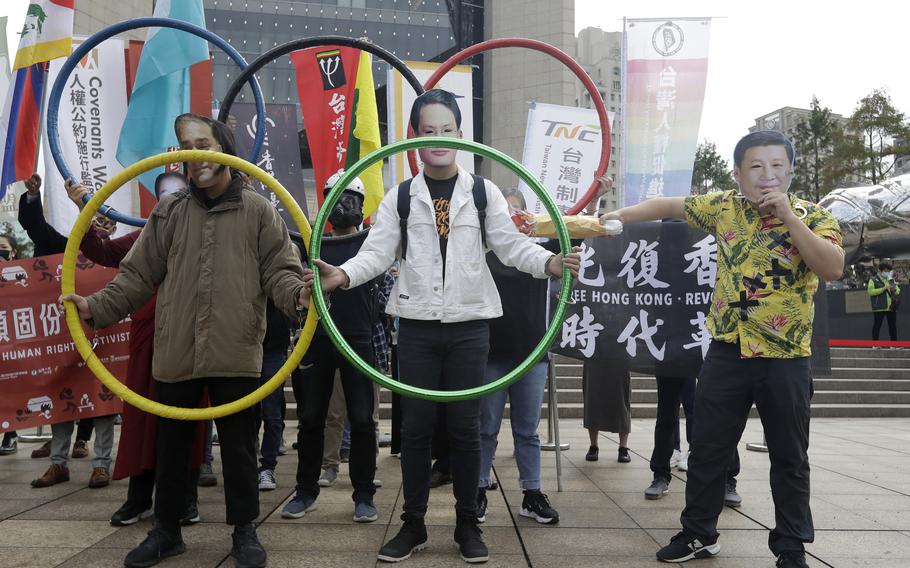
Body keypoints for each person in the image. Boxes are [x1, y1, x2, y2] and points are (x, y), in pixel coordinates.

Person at [305, 89, 581, 564]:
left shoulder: (482, 191)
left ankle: (467, 525)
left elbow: (511, 245)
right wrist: (343, 274)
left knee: (466, 428)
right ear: (413, 138)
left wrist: (550, 263)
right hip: (414, 326)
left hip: (470, 325)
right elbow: (376, 252)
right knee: (414, 430)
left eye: (446, 130)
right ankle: (413, 524)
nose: (437, 139)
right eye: (427, 131)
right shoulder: (401, 197)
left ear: (460, 135)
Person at [61, 113, 312, 568]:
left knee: (238, 448)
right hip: (175, 347)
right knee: (171, 446)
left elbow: (280, 271)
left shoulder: (258, 209)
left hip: (235, 349)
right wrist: (94, 307)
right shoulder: (170, 210)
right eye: (186, 146)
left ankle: (244, 531)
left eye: (204, 144)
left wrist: (299, 294)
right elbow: (137, 276)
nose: (195, 156)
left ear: (225, 151)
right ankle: (167, 531)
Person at [602, 130, 843, 568]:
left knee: (789, 456)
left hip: (786, 357)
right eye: (755, 166)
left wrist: (791, 218)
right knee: (708, 448)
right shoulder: (725, 208)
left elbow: (830, 266)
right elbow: (668, 206)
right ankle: (699, 533)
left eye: (776, 166)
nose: (767, 175)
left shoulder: (816, 217)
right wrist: (617, 215)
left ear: (790, 170)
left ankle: (790, 546)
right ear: (738, 174)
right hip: (727, 352)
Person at [65, 173, 206, 526]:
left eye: (178, 195)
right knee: (143, 418)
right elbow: (102, 251)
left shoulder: (207, 232)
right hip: (149, 336)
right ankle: (139, 497)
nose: (171, 202)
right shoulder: (145, 236)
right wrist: (83, 208)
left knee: (188, 420)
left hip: (192, 336)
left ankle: (186, 499)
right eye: (164, 196)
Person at [282, 172, 380, 524]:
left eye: (350, 199)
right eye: (334, 198)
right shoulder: (311, 243)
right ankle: (305, 491)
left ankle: (364, 494)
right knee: (310, 419)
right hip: (317, 339)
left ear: (361, 206)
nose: (341, 207)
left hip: (359, 340)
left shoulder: (373, 244)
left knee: (363, 420)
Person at [15, 174, 114, 489]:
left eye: (106, 221)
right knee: (60, 395)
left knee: (105, 401)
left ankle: (101, 465)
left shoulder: (124, 254)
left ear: (113, 226)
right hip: (64, 341)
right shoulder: (65, 246)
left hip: (104, 341)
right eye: (94, 218)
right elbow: (36, 228)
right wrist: (32, 198)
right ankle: (58, 464)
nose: (101, 224)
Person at [476, 186, 563, 526]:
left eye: (518, 211)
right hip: (491, 352)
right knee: (486, 428)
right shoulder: (483, 250)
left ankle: (532, 493)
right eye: (505, 211)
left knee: (528, 431)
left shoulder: (540, 251)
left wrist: (595, 196)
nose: (511, 217)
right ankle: (479, 489)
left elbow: (575, 235)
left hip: (532, 354)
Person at [868, 261, 900, 343]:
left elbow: (898, 291)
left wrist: (895, 289)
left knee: (893, 326)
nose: (887, 272)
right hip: (879, 307)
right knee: (877, 326)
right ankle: (875, 344)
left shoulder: (890, 280)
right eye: (885, 270)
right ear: (880, 270)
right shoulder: (873, 280)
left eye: (888, 271)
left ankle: (894, 345)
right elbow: (870, 292)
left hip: (891, 307)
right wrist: (883, 289)